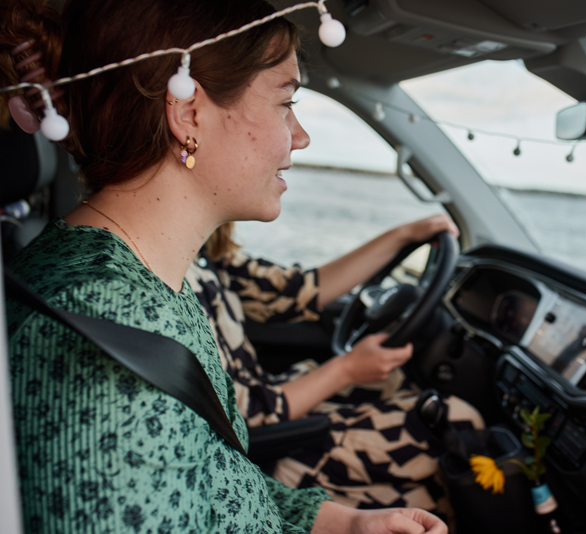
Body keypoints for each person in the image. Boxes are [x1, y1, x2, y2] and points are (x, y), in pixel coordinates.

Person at [1, 0, 447, 532]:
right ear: (188, 115)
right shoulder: (107, 317)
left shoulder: (152, 282)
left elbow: (215, 476)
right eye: (286, 102)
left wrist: (346, 524)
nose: (300, 135)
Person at [188, 217, 484, 513]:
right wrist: (346, 369)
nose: (286, 166)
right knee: (455, 419)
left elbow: (293, 293)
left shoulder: (205, 254)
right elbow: (237, 416)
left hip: (275, 398)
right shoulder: (174, 282)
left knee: (393, 382)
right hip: (270, 437)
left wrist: (404, 235)